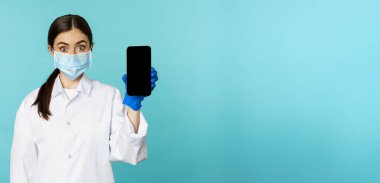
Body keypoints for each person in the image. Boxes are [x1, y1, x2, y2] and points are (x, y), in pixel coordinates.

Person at [10, 14, 158, 183]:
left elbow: (127, 152)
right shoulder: (31, 103)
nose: (72, 54)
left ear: (90, 48)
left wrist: (134, 103)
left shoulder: (108, 96)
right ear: (51, 50)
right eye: (63, 48)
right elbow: (21, 168)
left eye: (80, 47)